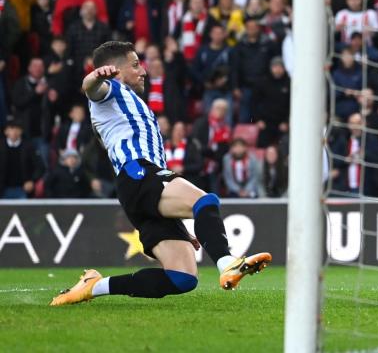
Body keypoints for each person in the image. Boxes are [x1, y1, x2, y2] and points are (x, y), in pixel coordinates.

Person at [50, 41, 271, 306]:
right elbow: (91, 89)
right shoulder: (110, 91)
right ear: (115, 70)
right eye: (135, 65)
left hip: (139, 187)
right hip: (139, 174)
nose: (142, 71)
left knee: (182, 278)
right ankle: (227, 262)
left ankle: (95, 286)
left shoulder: (129, 101)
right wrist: (94, 76)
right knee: (205, 201)